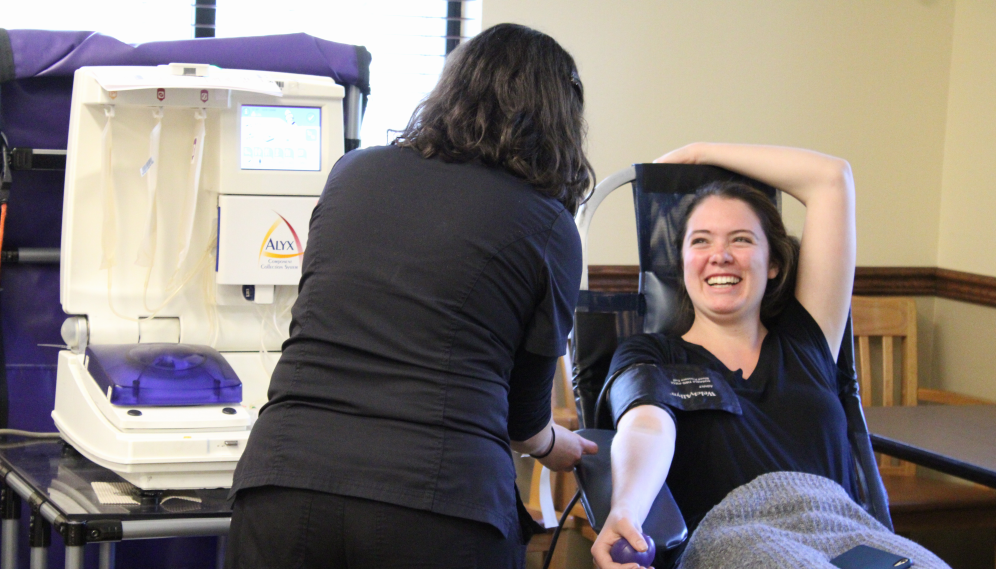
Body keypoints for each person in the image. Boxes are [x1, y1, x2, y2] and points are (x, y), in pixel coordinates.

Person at [225, 23, 598, 569]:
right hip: (438, 506)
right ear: (557, 117)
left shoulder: (353, 174)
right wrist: (551, 447)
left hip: (284, 483)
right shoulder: (548, 226)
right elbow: (525, 416)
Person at [592, 143, 858, 569]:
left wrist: (700, 153)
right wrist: (626, 509)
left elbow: (832, 179)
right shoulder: (653, 354)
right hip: (736, 542)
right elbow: (645, 429)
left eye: (741, 239)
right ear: (680, 264)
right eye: (701, 241)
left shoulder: (809, 340)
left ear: (772, 262)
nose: (721, 255)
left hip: (848, 536)